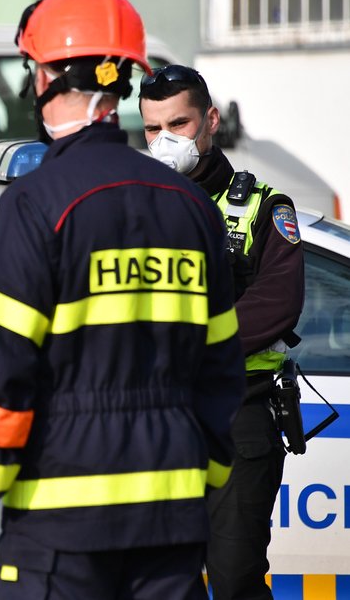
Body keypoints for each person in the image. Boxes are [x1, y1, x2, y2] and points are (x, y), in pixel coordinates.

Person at [0, 0, 247, 599]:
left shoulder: (36, 202)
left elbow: (3, 371)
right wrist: (201, 473)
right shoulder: (191, 206)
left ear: (47, 75)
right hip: (172, 516)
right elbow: (221, 368)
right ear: (123, 79)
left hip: (62, 522)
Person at [140, 64, 304, 599]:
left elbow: (277, 302)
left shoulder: (262, 208)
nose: (165, 140)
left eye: (179, 124)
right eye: (151, 128)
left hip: (238, 416)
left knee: (234, 578)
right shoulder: (130, 209)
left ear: (210, 120)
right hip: (149, 419)